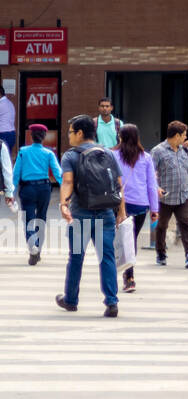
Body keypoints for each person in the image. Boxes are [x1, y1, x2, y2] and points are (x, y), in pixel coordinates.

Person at [56, 114, 125, 317]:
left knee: (76, 257)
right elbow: (119, 185)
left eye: (70, 132)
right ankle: (112, 302)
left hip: (81, 213)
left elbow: (67, 182)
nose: (68, 136)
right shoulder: (108, 153)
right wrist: (121, 212)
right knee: (107, 258)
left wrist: (63, 205)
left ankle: (70, 300)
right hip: (105, 213)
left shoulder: (70, 155)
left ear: (79, 133)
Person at [149, 121, 188, 269]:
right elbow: (149, 173)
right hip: (165, 197)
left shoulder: (185, 150)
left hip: (184, 196)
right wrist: (156, 187)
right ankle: (161, 253)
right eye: (184, 135)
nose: (186, 138)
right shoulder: (158, 151)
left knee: (186, 224)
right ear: (177, 136)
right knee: (162, 226)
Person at [113, 124, 159, 295]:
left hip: (118, 203)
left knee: (118, 239)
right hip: (140, 204)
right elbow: (151, 184)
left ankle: (119, 274)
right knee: (131, 239)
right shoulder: (145, 157)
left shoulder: (113, 155)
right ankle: (129, 277)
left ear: (121, 137)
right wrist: (155, 209)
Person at [11, 124, 60, 264]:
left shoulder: (22, 152)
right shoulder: (49, 153)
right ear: (44, 137)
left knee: (28, 219)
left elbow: (16, 174)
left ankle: (33, 245)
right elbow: (58, 173)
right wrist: (66, 190)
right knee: (41, 218)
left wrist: (11, 192)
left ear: (31, 136)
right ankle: (37, 248)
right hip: (44, 188)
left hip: (27, 189)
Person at [0, 84, 16, 155]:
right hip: (11, 134)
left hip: (3, 134)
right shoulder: (9, 103)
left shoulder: (1, 104)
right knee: (6, 158)